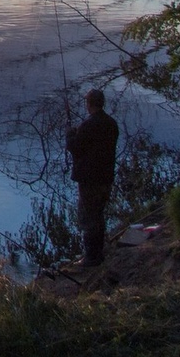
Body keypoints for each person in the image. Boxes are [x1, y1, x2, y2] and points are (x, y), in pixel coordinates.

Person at [66, 88, 120, 266]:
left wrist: (70, 135)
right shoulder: (111, 124)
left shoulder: (88, 125)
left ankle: (90, 258)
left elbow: (76, 148)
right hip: (106, 177)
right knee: (98, 214)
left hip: (90, 180)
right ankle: (98, 253)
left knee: (88, 217)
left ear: (89, 104)